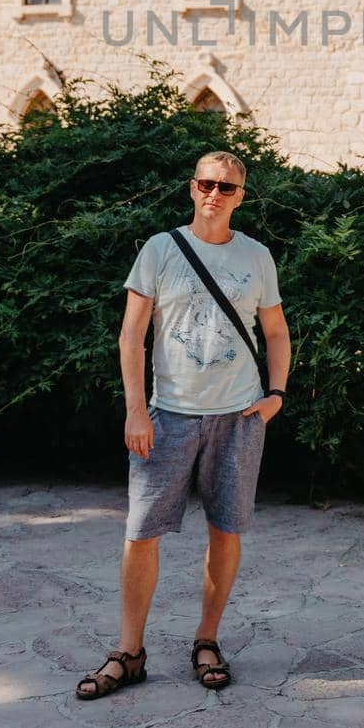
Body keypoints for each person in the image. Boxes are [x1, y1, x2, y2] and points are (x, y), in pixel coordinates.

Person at [75, 149, 290, 698]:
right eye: (205, 184)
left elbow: (276, 332)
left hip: (238, 416)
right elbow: (130, 337)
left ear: (241, 197)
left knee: (226, 529)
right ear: (192, 189)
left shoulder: (257, 257)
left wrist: (275, 396)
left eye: (226, 187)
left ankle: (207, 640)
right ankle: (129, 652)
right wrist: (136, 409)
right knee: (141, 534)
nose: (214, 194)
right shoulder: (160, 250)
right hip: (167, 416)